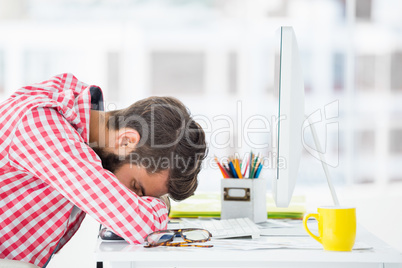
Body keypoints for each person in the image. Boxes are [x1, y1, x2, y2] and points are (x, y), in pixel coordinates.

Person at [0, 73, 207, 267]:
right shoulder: (42, 126)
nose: (133, 198)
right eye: (136, 186)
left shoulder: (83, 121)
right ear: (126, 140)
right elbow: (139, 225)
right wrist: (159, 205)